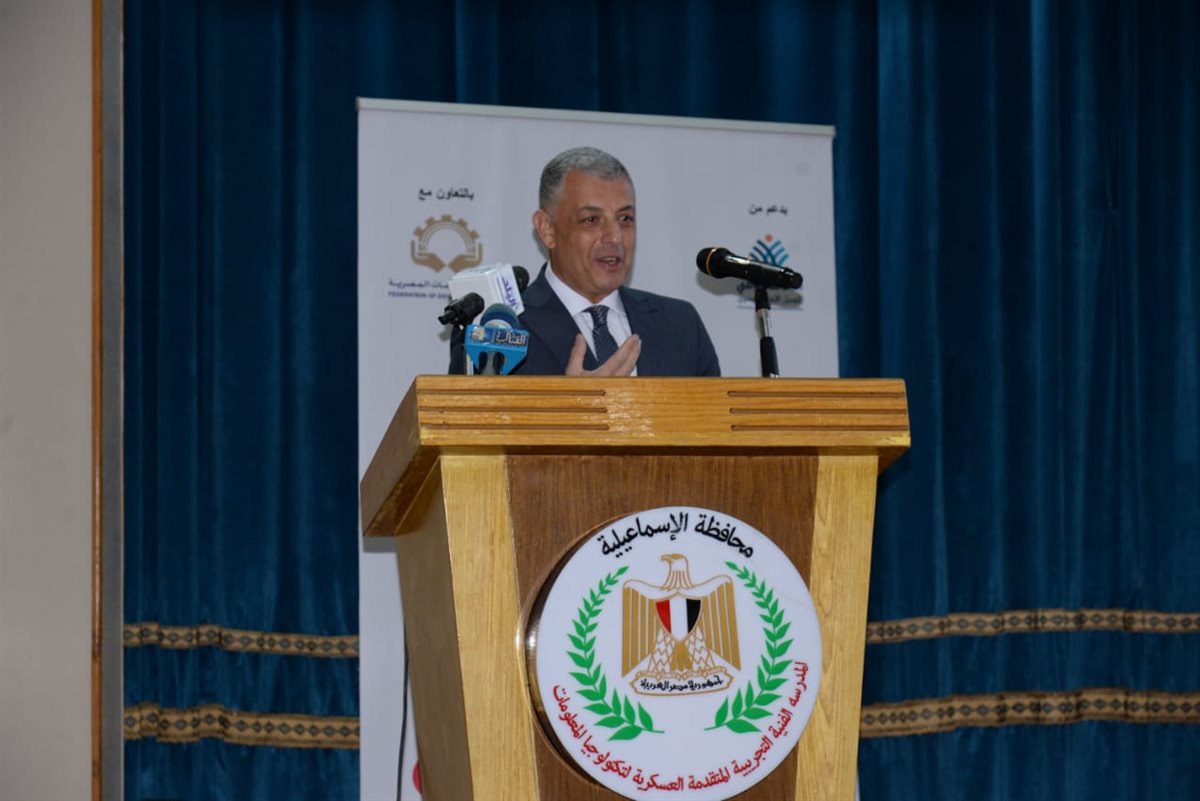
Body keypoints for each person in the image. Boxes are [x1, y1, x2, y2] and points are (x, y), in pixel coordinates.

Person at [450, 146, 721, 377]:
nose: (615, 237)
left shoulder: (680, 324)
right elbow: (470, 422)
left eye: (625, 219)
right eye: (591, 220)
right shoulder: (497, 329)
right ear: (547, 229)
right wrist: (573, 407)